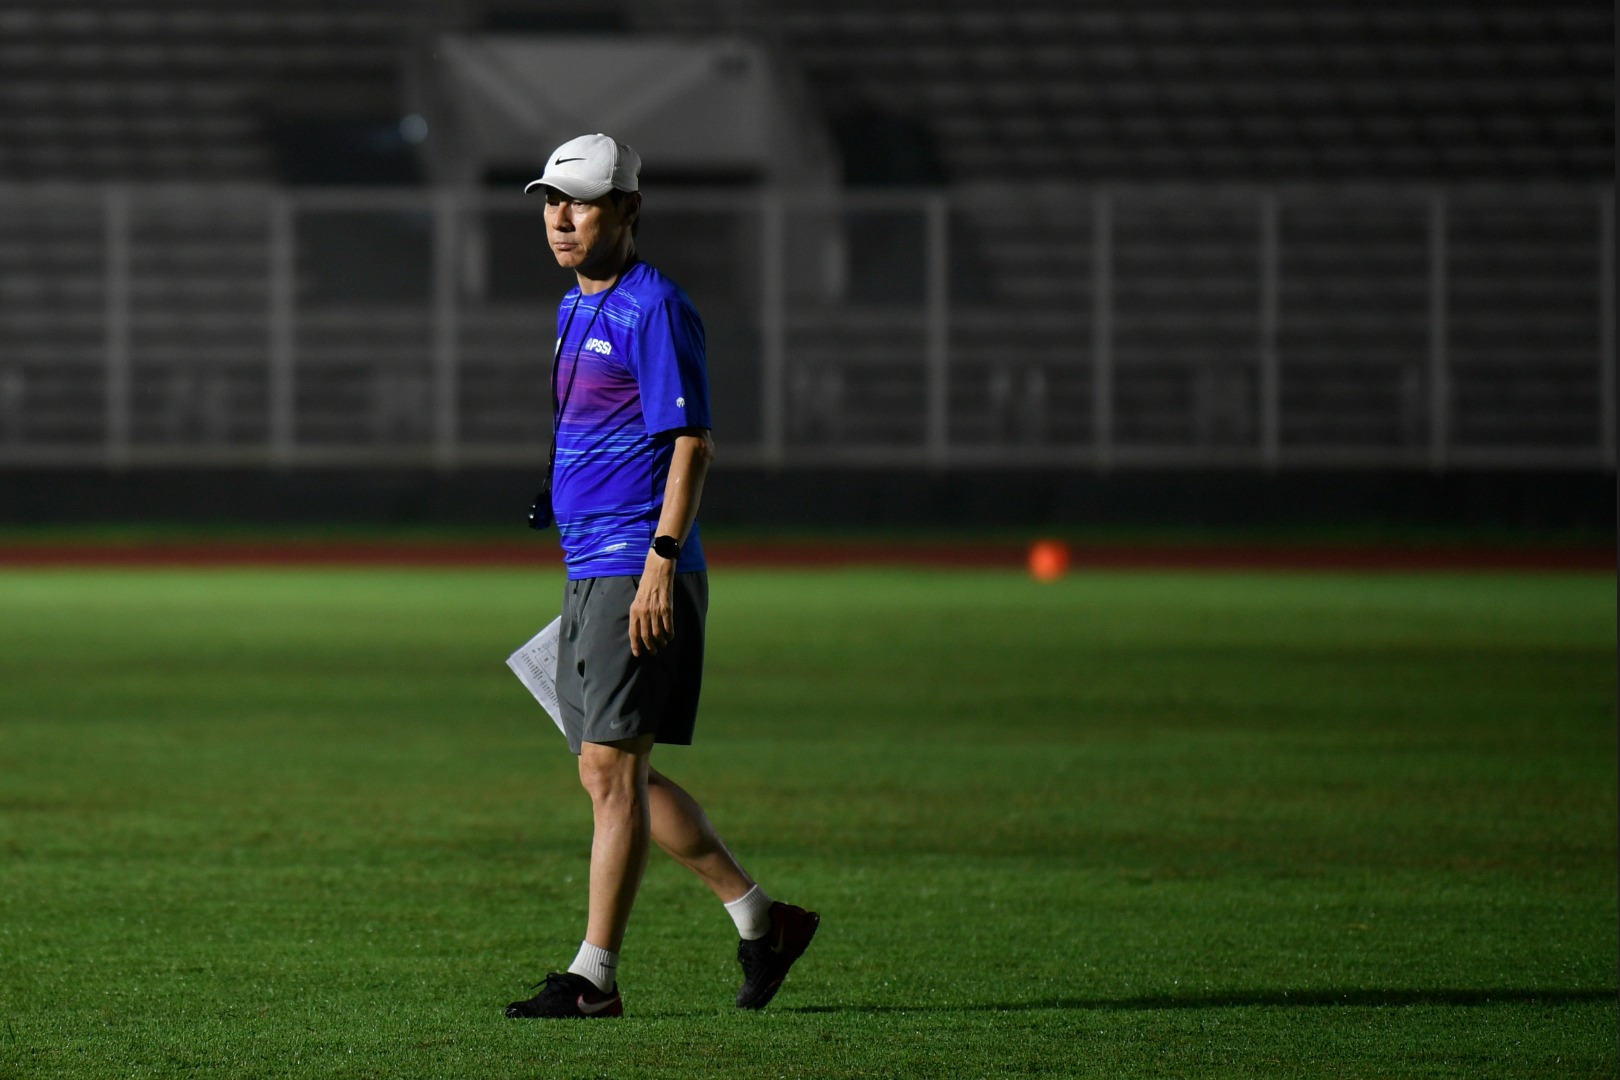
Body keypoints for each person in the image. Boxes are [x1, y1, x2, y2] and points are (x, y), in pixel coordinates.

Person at [504, 133, 818, 1020]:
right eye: (551, 201)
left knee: (611, 769)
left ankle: (593, 978)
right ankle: (761, 919)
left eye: (583, 203)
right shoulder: (574, 307)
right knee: (613, 774)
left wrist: (660, 564)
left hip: (636, 566)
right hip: (588, 564)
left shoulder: (657, 308)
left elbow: (693, 442)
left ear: (627, 211)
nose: (561, 219)